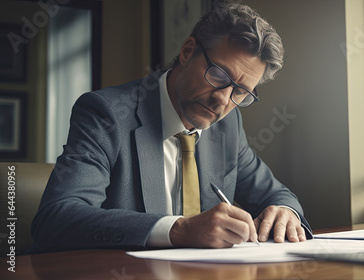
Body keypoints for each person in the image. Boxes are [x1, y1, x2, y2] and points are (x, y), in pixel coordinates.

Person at [31, 3, 312, 253]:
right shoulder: (106, 113)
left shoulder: (228, 126)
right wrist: (179, 229)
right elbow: (56, 219)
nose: (224, 99)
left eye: (240, 92)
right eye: (218, 75)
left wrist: (285, 212)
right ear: (188, 51)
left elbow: (276, 194)